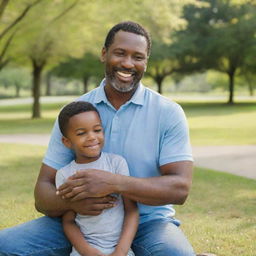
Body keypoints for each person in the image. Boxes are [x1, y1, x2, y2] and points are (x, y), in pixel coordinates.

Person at [0, 21, 195, 256]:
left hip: (148, 223)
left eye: (138, 57)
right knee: (6, 246)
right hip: (82, 222)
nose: (127, 63)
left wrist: (114, 183)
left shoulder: (168, 112)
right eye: (120, 53)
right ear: (104, 54)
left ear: (146, 62)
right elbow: (43, 191)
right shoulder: (74, 113)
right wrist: (72, 204)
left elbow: (180, 188)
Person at [56, 101, 137, 256]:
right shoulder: (65, 174)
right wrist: (88, 252)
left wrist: (120, 251)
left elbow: (131, 210)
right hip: (85, 250)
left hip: (120, 248)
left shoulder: (116, 163)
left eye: (97, 130)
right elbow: (68, 221)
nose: (92, 137)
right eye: (81, 133)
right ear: (67, 142)